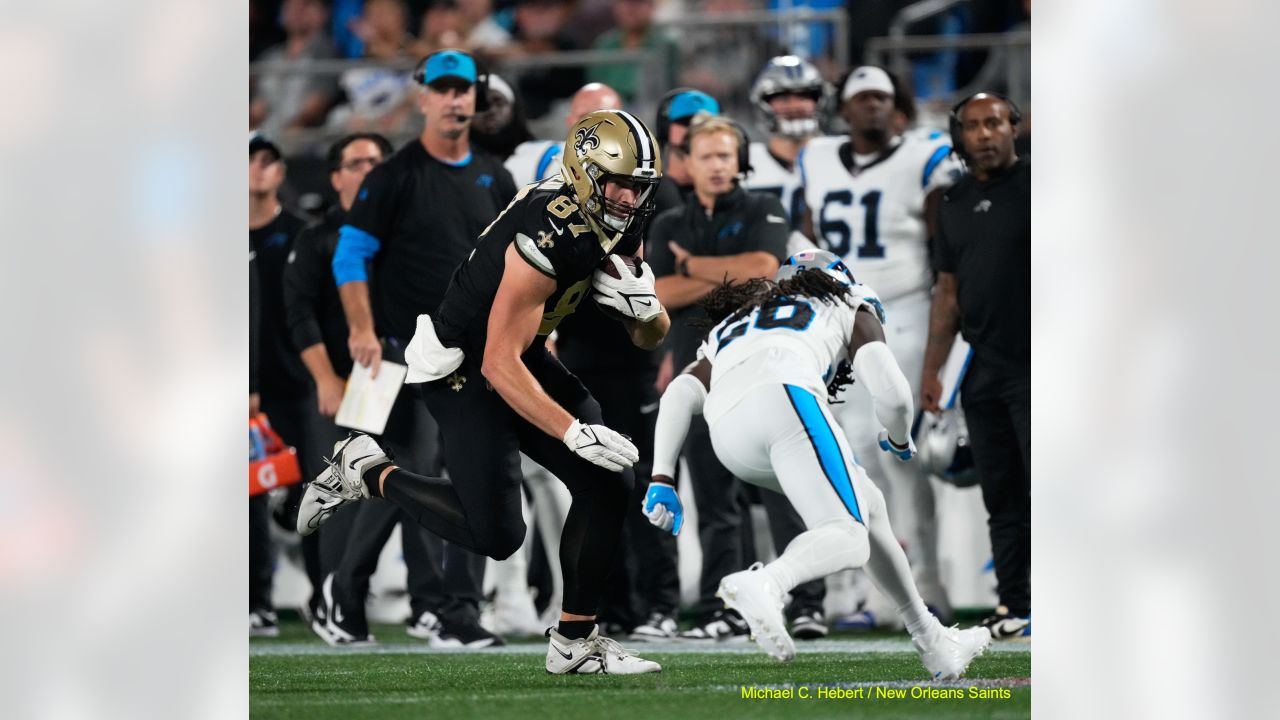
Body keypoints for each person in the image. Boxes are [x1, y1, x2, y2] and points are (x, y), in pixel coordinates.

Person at [299, 109, 671, 675]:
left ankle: (575, 639)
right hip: (462, 365)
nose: (628, 198)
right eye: (618, 182)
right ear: (583, 172)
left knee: (608, 480)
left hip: (520, 351)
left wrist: (646, 312)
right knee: (496, 535)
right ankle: (367, 470)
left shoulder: (624, 213)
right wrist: (572, 430)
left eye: (639, 187)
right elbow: (497, 363)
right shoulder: (551, 229)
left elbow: (648, 336)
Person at [642, 249, 991, 677]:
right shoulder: (847, 299)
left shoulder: (738, 320)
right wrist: (898, 439)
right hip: (786, 398)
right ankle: (768, 583)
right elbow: (894, 394)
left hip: (727, 436)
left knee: (868, 504)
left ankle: (932, 640)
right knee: (848, 533)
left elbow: (679, 392)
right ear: (836, 278)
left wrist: (662, 476)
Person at [319, 49, 518, 648]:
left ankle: (452, 611)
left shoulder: (496, 176)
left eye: (465, 89)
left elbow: (519, 267)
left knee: (476, 479)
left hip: (477, 355)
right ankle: (350, 589)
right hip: (401, 352)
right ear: (423, 96)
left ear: (475, 100)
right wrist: (359, 329)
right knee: (407, 475)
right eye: (444, 88)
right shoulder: (394, 174)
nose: (455, 99)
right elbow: (349, 255)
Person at [648, 114, 824, 641]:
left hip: (762, 368)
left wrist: (693, 267)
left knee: (783, 488)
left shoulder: (763, 207)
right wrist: (722, 275)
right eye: (708, 156)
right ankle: (723, 607)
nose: (718, 166)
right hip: (699, 372)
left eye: (727, 155)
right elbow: (658, 293)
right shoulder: (666, 224)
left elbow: (764, 270)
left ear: (739, 161)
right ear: (687, 163)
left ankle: (806, 603)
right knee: (714, 497)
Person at [798, 66, 961, 624]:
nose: (872, 107)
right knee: (852, 452)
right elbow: (807, 236)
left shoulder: (925, 156)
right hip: (839, 315)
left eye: (882, 99)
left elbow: (946, 246)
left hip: (906, 310)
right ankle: (873, 593)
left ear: (898, 108)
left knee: (900, 451)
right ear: (843, 108)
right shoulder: (815, 157)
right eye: (861, 98)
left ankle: (929, 582)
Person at [923, 92, 1030, 639]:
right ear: (958, 136)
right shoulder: (953, 202)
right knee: (1001, 492)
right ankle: (1017, 604)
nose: (986, 134)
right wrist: (932, 370)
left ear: (1015, 128)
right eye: (974, 126)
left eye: (995, 123)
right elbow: (947, 291)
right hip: (982, 367)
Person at [282, 132, 393, 629]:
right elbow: (299, 315)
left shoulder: (401, 229)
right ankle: (330, 592)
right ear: (336, 176)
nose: (368, 169)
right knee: (337, 490)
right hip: (342, 380)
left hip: (393, 375)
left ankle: (352, 592)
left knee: (392, 485)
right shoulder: (317, 237)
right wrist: (325, 378)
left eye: (376, 161)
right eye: (356, 162)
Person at [248, 132, 318, 637]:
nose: (257, 169)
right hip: (247, 389)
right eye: (249, 161)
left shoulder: (300, 232)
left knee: (317, 490)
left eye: (267, 161)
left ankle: (325, 596)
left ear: (281, 172)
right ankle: (257, 601)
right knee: (247, 497)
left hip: (298, 384)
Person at [744, 55, 830, 237]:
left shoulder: (838, 157)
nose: (795, 106)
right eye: (783, 98)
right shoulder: (743, 162)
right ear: (763, 104)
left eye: (804, 96)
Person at [250, 0, 339, 135]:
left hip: (303, 143)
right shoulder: (270, 56)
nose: (295, 11)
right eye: (290, 6)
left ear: (322, 13)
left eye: (304, 5)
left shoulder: (326, 53)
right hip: (266, 138)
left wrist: (288, 135)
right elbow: (258, 108)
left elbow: (314, 107)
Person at [587, 0, 678, 103]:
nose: (629, 9)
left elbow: (670, 87)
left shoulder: (665, 44)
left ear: (651, 6)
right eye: (623, 3)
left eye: (637, 3)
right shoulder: (604, 44)